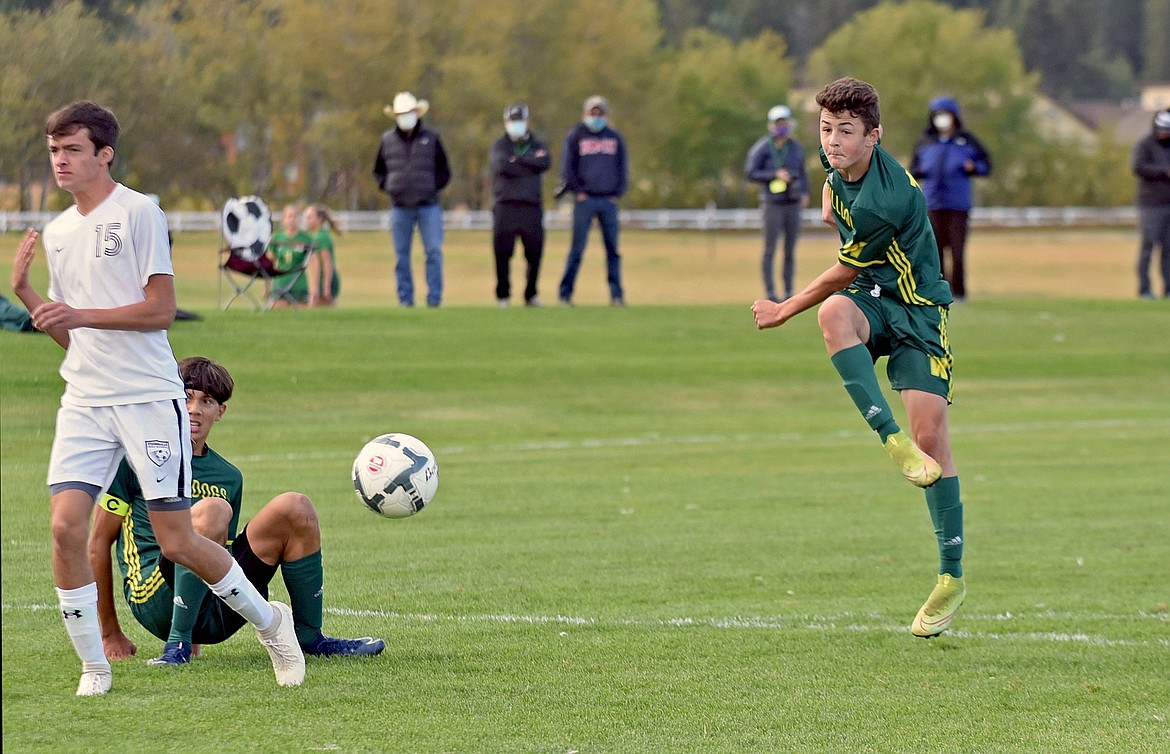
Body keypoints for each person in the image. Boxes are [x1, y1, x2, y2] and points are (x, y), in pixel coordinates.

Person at [9, 101, 304, 695]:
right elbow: (76, 341)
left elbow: (161, 310)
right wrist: (28, 296)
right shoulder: (61, 233)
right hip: (85, 401)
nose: (60, 161)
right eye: (53, 151)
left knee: (178, 540)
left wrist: (82, 314)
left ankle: (274, 627)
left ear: (104, 153)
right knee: (66, 526)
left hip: (147, 398)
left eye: (72, 150)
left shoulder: (139, 212)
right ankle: (94, 667)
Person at [751, 77, 966, 639]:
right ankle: (890, 443)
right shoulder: (837, 172)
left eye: (846, 132)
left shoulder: (887, 197)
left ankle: (951, 576)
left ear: (875, 137)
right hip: (875, 297)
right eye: (825, 129)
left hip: (919, 311)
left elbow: (842, 268)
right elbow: (834, 206)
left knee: (934, 442)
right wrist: (830, 207)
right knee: (835, 317)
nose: (833, 141)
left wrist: (783, 308)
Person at [90, 356, 386, 667]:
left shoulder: (228, 476)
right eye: (186, 397)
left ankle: (309, 638)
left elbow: (219, 553)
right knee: (213, 510)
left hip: (217, 610)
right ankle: (176, 645)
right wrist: (110, 633)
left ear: (220, 412)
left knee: (296, 506)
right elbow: (97, 543)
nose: (194, 408)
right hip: (153, 596)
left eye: (207, 401)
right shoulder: (136, 460)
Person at [909, 97, 992, 302]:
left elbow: (986, 165)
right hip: (933, 203)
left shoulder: (967, 140)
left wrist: (974, 168)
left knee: (957, 250)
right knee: (934, 251)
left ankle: (959, 293)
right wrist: (919, 171)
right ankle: (939, 291)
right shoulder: (925, 143)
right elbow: (912, 169)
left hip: (957, 204)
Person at [373, 91, 451, 308]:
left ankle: (434, 298)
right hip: (400, 207)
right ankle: (405, 299)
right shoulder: (387, 140)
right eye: (402, 113)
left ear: (416, 113)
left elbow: (445, 170)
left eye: (409, 112)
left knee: (434, 252)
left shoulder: (432, 138)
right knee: (401, 257)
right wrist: (389, 187)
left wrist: (431, 188)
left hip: (428, 206)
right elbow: (378, 171)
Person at [557, 95, 629, 307]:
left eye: (600, 113)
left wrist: (618, 193)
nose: (596, 117)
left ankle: (616, 295)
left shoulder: (615, 138)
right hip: (584, 200)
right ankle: (565, 294)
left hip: (608, 200)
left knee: (613, 250)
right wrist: (577, 191)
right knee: (577, 249)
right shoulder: (576, 136)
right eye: (592, 113)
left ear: (606, 115)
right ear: (585, 113)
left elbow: (623, 167)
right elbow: (567, 167)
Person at [745, 104, 810, 302]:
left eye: (785, 123)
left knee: (790, 250)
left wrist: (805, 192)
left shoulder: (796, 147)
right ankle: (770, 292)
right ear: (772, 125)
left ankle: (789, 291)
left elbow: (803, 173)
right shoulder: (763, 147)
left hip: (792, 203)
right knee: (770, 249)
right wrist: (774, 174)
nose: (782, 127)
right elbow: (750, 172)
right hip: (772, 204)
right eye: (778, 123)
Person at [490, 102, 551, 307]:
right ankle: (503, 295)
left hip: (531, 206)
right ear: (506, 122)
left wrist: (517, 161)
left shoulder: (538, 144)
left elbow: (544, 162)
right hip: (505, 205)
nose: (515, 124)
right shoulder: (500, 145)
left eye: (519, 121)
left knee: (534, 252)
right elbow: (501, 165)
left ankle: (531, 294)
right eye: (512, 121)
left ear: (526, 121)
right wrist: (527, 163)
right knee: (502, 253)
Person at [1131, 109, 1170, 300]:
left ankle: (1168, 290)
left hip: (1169, 204)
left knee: (1168, 250)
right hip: (1151, 205)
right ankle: (1144, 289)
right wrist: (1163, 171)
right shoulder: (1145, 145)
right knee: (1148, 247)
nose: (1164, 133)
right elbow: (1138, 167)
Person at [267, 204, 312, 307]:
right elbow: (269, 264)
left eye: (295, 216)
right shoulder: (277, 238)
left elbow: (314, 264)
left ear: (300, 219)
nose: (292, 219)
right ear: (284, 219)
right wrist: (266, 287)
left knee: (301, 318)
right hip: (280, 284)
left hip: (299, 284)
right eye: (289, 216)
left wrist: (314, 290)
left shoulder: (306, 239)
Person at [305, 203, 343, 307]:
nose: (306, 220)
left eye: (310, 217)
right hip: (322, 280)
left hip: (325, 279)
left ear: (319, 219)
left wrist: (325, 287)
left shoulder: (320, 238)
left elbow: (327, 263)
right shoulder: (318, 236)